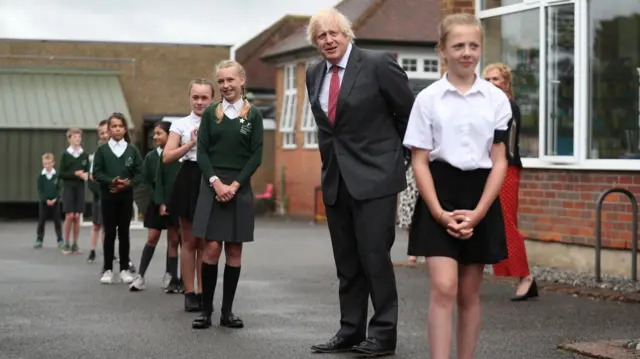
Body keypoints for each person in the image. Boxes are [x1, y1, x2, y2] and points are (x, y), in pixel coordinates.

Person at [304, 8, 414, 357]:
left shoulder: (379, 64)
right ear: (315, 42)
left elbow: (409, 115)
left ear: (347, 33)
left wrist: (395, 160)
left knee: (374, 257)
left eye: (334, 33)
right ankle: (350, 330)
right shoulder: (313, 72)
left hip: (376, 179)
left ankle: (383, 334)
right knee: (347, 262)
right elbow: (329, 128)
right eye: (321, 36)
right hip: (336, 179)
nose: (329, 40)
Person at [403, 13, 511, 359]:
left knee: (468, 293)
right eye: (458, 45)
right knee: (444, 287)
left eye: (473, 45)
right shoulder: (428, 99)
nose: (467, 52)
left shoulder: (496, 100)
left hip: (480, 195)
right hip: (440, 192)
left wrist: (479, 213)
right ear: (442, 50)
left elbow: (500, 161)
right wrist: (437, 212)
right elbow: (419, 160)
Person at [190, 60, 263, 330]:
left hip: (239, 188)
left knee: (234, 250)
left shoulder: (253, 115)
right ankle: (205, 311)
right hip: (212, 186)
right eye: (220, 81)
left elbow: (256, 156)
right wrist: (216, 183)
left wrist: (234, 186)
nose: (225, 85)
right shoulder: (210, 113)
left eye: (230, 80)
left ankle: (227, 312)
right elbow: (203, 152)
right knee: (210, 249)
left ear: (242, 80)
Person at [483, 62, 537, 301]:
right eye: (488, 79)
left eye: (497, 79)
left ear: (506, 83)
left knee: (506, 224)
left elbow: (506, 145)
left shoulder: (509, 107)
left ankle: (525, 277)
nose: (492, 83)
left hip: (506, 170)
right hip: (485, 170)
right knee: (483, 223)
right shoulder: (484, 106)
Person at [163, 79, 215, 311]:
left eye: (204, 97)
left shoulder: (220, 121)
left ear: (212, 99)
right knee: (189, 240)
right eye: (196, 97)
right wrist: (190, 144)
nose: (200, 101)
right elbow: (167, 157)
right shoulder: (180, 124)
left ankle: (204, 292)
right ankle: (189, 292)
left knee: (206, 240)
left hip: (211, 178)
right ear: (189, 97)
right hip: (189, 177)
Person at [92, 113, 143, 285]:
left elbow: (140, 173)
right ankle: (107, 269)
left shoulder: (131, 150)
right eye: (114, 126)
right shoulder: (102, 150)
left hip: (126, 197)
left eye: (120, 126)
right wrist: (110, 182)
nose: (117, 129)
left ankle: (123, 269)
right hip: (108, 197)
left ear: (125, 128)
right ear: (108, 129)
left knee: (124, 233)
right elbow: (96, 173)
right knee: (109, 233)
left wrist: (128, 184)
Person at [130, 121, 181, 292]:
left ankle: (171, 276)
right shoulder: (151, 157)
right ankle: (140, 276)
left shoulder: (177, 155)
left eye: (159, 133)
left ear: (170, 135)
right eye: (154, 133)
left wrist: (169, 202)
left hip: (174, 204)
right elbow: (146, 181)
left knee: (174, 240)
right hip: (156, 203)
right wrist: (159, 202)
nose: (155, 137)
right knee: (152, 237)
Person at [58, 128, 90, 254]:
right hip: (68, 188)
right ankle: (66, 243)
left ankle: (75, 244)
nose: (78, 139)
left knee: (77, 216)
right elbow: (61, 173)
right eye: (75, 137)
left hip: (80, 188)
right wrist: (75, 174)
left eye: (79, 137)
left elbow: (87, 171)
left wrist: (85, 175)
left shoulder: (84, 155)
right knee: (70, 215)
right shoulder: (65, 155)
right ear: (69, 139)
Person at [87, 120, 109, 263]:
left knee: (109, 226)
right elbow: (92, 175)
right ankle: (93, 251)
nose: (104, 135)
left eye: (106, 132)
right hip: (100, 193)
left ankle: (109, 251)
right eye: (101, 133)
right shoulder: (98, 152)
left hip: (113, 193)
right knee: (97, 224)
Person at [34, 153, 63, 248]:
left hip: (55, 202)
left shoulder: (57, 175)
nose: (47, 165)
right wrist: (45, 200)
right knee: (41, 221)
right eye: (45, 163)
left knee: (57, 221)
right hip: (44, 203)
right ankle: (39, 239)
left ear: (53, 163)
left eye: (49, 163)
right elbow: (40, 190)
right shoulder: (41, 176)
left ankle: (60, 239)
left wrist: (56, 199)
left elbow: (59, 188)